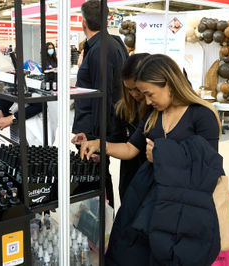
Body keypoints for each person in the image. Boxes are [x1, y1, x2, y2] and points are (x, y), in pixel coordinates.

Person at [81, 54, 222, 265]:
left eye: (150, 94)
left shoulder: (202, 116)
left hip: (181, 205)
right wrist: (100, 144)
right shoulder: (154, 114)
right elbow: (130, 148)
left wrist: (161, 156)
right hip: (146, 197)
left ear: (168, 83)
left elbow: (206, 168)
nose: (146, 101)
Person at [71, 0, 128, 208]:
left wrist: (96, 141)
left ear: (83, 23)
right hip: (97, 130)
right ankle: (102, 226)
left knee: (98, 180)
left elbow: (102, 99)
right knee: (97, 179)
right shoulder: (111, 43)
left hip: (95, 132)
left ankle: (103, 228)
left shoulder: (100, 49)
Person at [113, 53, 150, 202]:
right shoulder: (122, 109)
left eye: (137, 89)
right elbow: (116, 139)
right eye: (129, 89)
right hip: (130, 176)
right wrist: (97, 145)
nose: (134, 94)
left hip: (151, 179)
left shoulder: (158, 110)